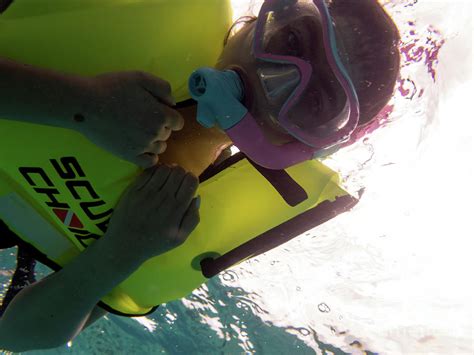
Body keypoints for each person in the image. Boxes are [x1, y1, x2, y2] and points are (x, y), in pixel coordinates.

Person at [0, 0, 400, 351]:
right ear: (269, 15)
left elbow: (13, 335)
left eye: (313, 102)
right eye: (291, 43)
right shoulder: (141, 10)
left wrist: (120, 253)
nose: (271, 80)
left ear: (307, 144)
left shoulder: (177, 219)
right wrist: (80, 103)